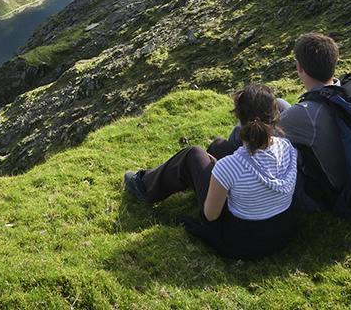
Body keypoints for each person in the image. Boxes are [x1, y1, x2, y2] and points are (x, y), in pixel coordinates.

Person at [123, 83, 298, 260]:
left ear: (239, 120)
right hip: (281, 235)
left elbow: (211, 216)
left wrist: (219, 176)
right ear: (276, 116)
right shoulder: (288, 149)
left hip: (241, 244)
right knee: (219, 145)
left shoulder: (230, 166)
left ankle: (143, 186)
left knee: (193, 155)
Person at [208, 32, 344, 211]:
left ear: (299, 67)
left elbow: (255, 136)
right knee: (278, 103)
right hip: (350, 175)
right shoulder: (348, 93)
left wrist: (242, 122)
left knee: (221, 146)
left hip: (326, 195)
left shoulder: (304, 114)